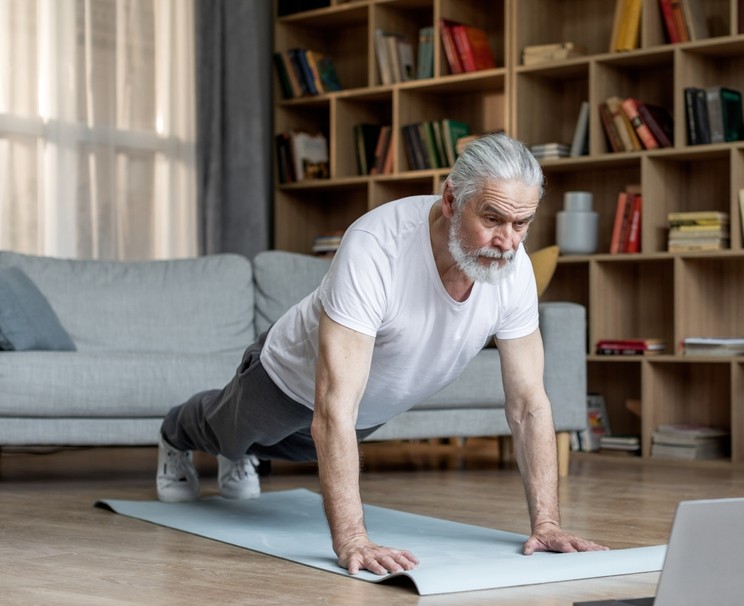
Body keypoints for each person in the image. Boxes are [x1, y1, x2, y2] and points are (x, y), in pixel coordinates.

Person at [157, 132, 607, 575]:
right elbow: (333, 407)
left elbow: (529, 404)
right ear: (451, 199)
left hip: (365, 410)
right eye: (492, 219)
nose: (508, 242)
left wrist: (547, 525)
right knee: (228, 434)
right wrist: (352, 538)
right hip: (286, 377)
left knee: (293, 452)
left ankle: (244, 457)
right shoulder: (376, 245)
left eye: (522, 223)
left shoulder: (513, 267)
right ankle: (174, 434)